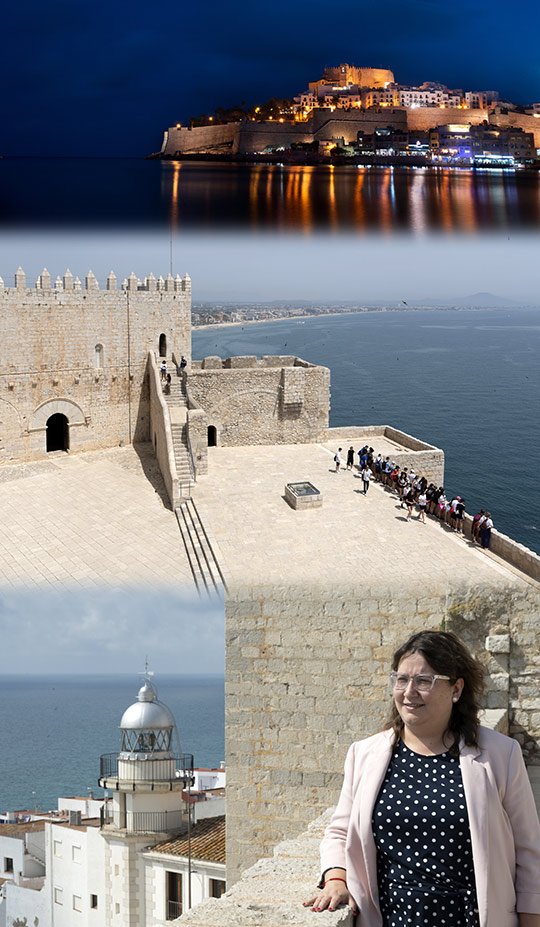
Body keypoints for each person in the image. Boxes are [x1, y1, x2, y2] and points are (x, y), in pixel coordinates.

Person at [304, 630, 540, 926]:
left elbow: (529, 854)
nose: (408, 691)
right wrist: (336, 879)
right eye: (401, 679)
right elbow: (340, 832)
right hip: (391, 919)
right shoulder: (363, 754)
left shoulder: (501, 754)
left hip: (469, 919)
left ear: (456, 689)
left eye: (424, 681)